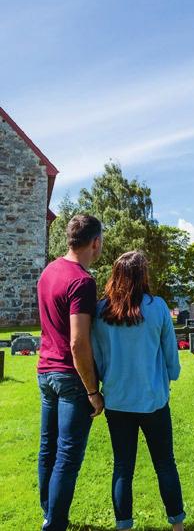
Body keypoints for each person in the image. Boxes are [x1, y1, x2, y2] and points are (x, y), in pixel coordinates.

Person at [91, 251, 185, 531]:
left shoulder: (101, 311)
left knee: (122, 467)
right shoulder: (157, 307)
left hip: (118, 400)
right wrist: (172, 375)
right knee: (165, 464)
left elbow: (96, 356)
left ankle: (123, 526)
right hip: (153, 399)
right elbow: (171, 354)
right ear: (142, 275)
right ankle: (177, 526)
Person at [37, 214, 104, 531]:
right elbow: (78, 342)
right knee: (66, 455)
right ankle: (55, 524)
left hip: (45, 372)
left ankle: (48, 514)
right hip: (69, 376)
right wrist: (93, 391)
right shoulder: (82, 281)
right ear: (95, 242)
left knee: (48, 448)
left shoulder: (49, 271)